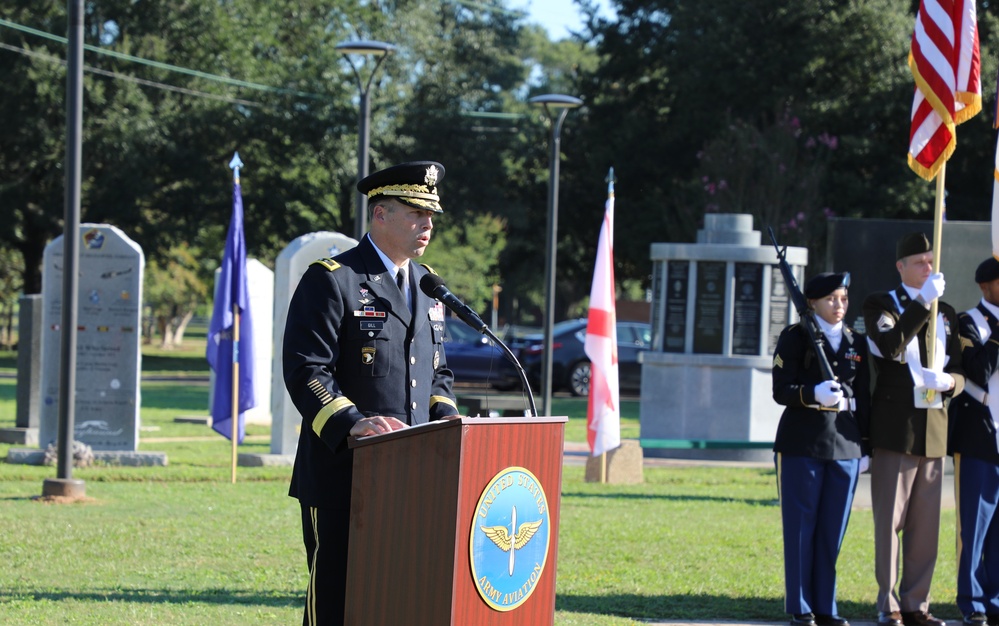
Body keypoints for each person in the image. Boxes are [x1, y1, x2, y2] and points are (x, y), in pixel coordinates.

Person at [282, 160, 461, 626]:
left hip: (416, 477)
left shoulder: (427, 286)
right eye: (416, 212)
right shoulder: (333, 278)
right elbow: (306, 369)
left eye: (430, 215)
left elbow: (437, 371)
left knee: (401, 597)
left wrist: (446, 417)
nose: (427, 224)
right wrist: (352, 423)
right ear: (380, 214)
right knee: (337, 604)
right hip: (345, 474)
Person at [863, 231, 965, 626]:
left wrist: (950, 384)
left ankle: (916, 604)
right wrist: (922, 302)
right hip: (896, 429)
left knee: (925, 528)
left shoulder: (947, 311)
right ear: (900, 266)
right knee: (890, 522)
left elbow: (958, 368)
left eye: (931, 260)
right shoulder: (881, 304)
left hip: (934, 429)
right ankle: (887, 604)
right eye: (920, 261)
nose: (928, 266)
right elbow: (890, 345)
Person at [772, 271, 870, 626]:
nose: (839, 305)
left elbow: (867, 397)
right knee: (801, 529)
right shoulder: (795, 338)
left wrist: (867, 447)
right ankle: (801, 607)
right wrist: (812, 394)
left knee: (832, 531)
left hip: (845, 445)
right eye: (831, 299)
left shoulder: (856, 341)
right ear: (811, 302)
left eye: (843, 299)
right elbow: (781, 389)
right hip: (802, 443)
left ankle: (826, 607)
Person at [950, 257, 999, 626]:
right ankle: (972, 602)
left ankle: (995, 599)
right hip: (981, 434)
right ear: (986, 286)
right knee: (976, 524)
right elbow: (979, 369)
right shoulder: (967, 322)